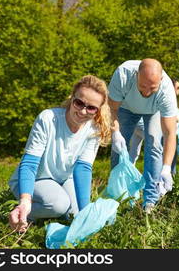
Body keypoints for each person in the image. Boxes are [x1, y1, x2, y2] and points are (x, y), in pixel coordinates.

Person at [8, 75, 111, 232]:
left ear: (98, 110)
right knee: (59, 205)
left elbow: (82, 168)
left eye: (91, 108)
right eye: (79, 103)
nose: (83, 111)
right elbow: (29, 164)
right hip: (35, 179)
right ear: (72, 98)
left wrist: (85, 214)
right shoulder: (48, 119)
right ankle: (22, 214)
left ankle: (54, 210)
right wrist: (25, 200)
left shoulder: (94, 129)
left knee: (76, 214)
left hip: (63, 179)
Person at [108, 59, 178, 213]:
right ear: (136, 76)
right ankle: (116, 195)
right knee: (118, 148)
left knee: (154, 145)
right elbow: (111, 108)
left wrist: (166, 168)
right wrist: (115, 133)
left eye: (152, 88)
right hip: (125, 108)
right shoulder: (123, 74)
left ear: (161, 80)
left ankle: (150, 201)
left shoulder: (166, 91)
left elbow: (169, 132)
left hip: (153, 111)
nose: (146, 92)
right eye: (142, 86)